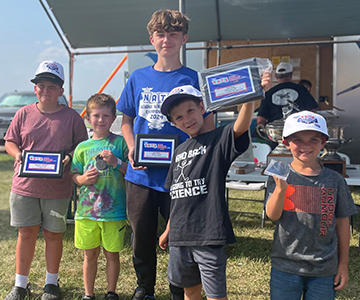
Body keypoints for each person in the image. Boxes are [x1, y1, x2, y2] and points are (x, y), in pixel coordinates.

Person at [116, 9, 214, 300]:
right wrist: (132, 147)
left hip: (182, 176)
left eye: (173, 34)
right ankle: (144, 287)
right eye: (161, 34)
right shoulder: (138, 78)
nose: (166, 39)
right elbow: (126, 120)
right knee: (142, 237)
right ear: (152, 39)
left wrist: (198, 159)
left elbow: (207, 127)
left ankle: (178, 289)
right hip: (142, 175)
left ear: (184, 38)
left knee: (180, 239)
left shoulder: (195, 79)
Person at [158, 80, 270, 300]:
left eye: (190, 111)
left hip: (208, 235)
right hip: (180, 237)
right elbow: (176, 196)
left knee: (215, 295)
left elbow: (240, 126)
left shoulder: (219, 139)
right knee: (190, 291)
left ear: (202, 108)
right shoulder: (178, 150)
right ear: (173, 122)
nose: (186, 119)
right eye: (178, 117)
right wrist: (169, 230)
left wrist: (248, 101)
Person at [3, 61, 88, 300]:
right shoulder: (23, 113)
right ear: (35, 89)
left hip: (57, 187)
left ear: (61, 91)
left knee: (53, 234)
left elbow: (81, 146)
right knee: (26, 232)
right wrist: (18, 154)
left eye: (51, 86)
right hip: (25, 186)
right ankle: (21, 284)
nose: (45, 90)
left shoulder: (71, 117)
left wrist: (70, 157)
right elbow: (10, 141)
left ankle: (51, 283)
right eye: (41, 85)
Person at [265, 111, 357, 300]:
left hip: (324, 268)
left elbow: (342, 223)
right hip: (285, 266)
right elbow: (272, 215)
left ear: (323, 143)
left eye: (313, 139)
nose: (305, 146)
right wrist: (281, 189)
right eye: (297, 139)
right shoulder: (279, 175)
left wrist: (343, 264)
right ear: (286, 143)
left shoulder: (335, 180)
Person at [71, 94, 129, 300]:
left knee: (112, 254)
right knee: (89, 255)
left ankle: (111, 292)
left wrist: (116, 162)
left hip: (114, 212)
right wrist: (82, 179)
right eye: (96, 115)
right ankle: (89, 294)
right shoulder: (82, 148)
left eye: (106, 115)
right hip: (86, 212)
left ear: (114, 118)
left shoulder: (120, 143)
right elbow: (74, 175)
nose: (101, 120)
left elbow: (131, 172)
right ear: (87, 118)